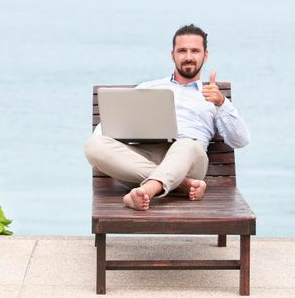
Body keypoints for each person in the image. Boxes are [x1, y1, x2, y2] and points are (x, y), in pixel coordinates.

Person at [84, 24, 249, 211]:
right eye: (182, 51)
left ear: (205, 55)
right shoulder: (149, 87)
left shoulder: (212, 96)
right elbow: (106, 129)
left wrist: (221, 103)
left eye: (195, 51)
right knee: (93, 145)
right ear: (173, 55)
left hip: (189, 158)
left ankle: (146, 190)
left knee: (186, 144)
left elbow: (241, 140)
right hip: (144, 157)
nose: (188, 57)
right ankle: (182, 185)